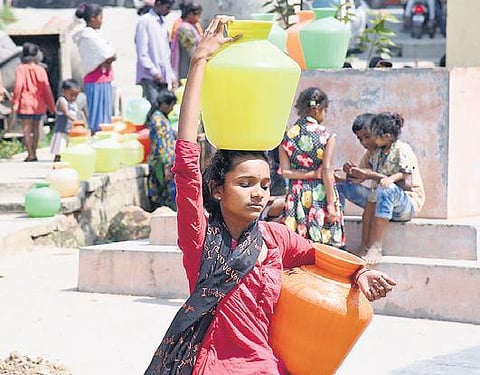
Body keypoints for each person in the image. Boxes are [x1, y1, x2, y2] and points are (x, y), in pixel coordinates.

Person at [143, 16, 397, 374]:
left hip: (264, 365)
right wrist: (199, 62)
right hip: (211, 365)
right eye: (245, 184)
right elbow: (186, 164)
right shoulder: (200, 236)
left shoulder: (275, 238)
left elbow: (321, 255)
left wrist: (359, 274)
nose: (259, 194)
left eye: (264, 185)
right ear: (217, 189)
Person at [352, 112, 425, 265]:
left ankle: (377, 246)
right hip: (382, 198)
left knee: (386, 189)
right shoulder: (376, 153)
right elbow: (364, 172)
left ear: (386, 136)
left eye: (372, 135)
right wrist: (351, 172)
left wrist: (382, 178)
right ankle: (364, 245)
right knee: (371, 202)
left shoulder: (402, 149)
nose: (368, 140)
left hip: (405, 204)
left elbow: (407, 180)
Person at [278, 87, 345, 247]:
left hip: (296, 196)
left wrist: (311, 174)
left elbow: (286, 172)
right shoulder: (326, 135)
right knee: (323, 244)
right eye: (325, 110)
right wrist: (331, 205)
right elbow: (326, 170)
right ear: (317, 109)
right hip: (320, 194)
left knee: (298, 244)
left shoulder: (288, 135)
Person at [73, 3, 116, 135]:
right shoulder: (88, 36)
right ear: (93, 18)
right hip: (95, 79)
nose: (101, 20)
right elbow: (108, 54)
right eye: (100, 17)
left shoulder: (96, 34)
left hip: (104, 78)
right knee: (98, 116)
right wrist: (109, 58)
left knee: (106, 116)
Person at [336, 113, 376, 252]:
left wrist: (370, 175)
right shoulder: (369, 156)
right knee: (340, 185)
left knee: (380, 193)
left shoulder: (395, 150)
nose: (364, 142)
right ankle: (336, 233)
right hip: (376, 200)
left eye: (367, 137)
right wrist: (350, 173)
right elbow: (358, 180)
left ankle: (371, 247)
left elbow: (395, 184)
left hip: (399, 202)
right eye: (360, 139)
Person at [12, 42, 55, 162]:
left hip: (25, 103)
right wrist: (51, 106)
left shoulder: (20, 69)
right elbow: (47, 88)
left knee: (26, 129)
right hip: (38, 103)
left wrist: (15, 102)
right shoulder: (41, 69)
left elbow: (18, 86)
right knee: (36, 128)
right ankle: (35, 152)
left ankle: (30, 154)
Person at [135, 0, 177, 105]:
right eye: (167, 7)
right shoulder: (145, 21)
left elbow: (166, 53)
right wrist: (154, 71)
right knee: (153, 106)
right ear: (158, 4)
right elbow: (142, 51)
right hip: (150, 76)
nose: (169, 11)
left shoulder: (162, 23)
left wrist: (171, 76)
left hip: (163, 76)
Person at [145, 89, 178, 211]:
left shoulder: (163, 117)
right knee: (163, 193)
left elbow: (167, 135)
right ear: (164, 104)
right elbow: (161, 144)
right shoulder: (158, 120)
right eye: (171, 105)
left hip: (166, 161)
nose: (172, 109)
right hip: (161, 162)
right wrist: (166, 166)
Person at [50, 79, 81, 162]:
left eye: (76, 95)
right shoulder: (62, 101)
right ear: (63, 91)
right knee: (60, 151)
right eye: (71, 94)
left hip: (70, 132)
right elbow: (67, 113)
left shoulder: (74, 104)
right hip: (62, 132)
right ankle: (56, 166)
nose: (73, 97)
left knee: (68, 151)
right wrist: (79, 122)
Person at [170, 2, 203, 80]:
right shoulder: (184, 29)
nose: (199, 18)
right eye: (198, 15)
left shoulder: (192, 26)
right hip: (187, 71)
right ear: (190, 14)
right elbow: (191, 52)